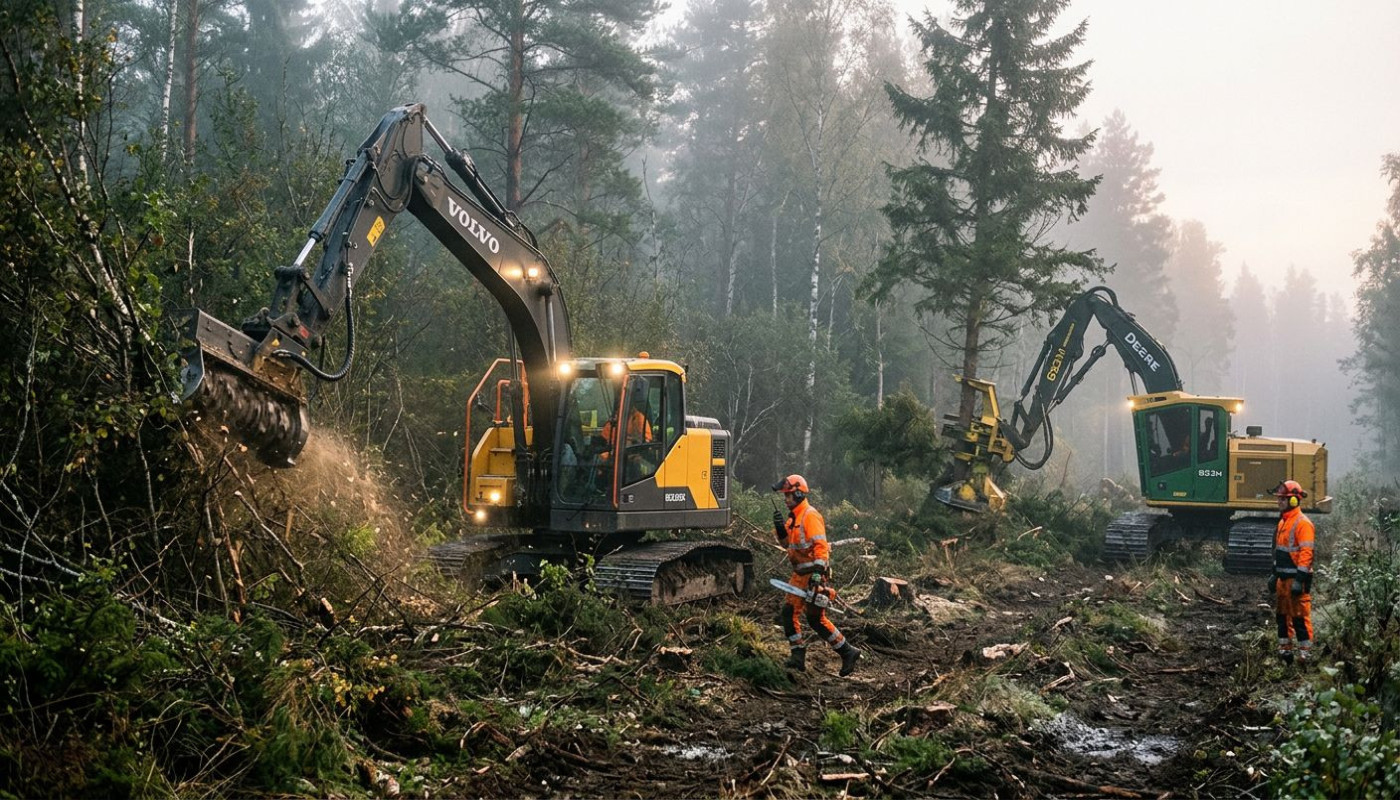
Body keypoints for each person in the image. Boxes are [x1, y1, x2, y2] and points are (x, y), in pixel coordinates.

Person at [771, 474, 860, 677]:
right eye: (785, 496)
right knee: (810, 618)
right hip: (799, 574)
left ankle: (802, 654)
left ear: (799, 493)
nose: (785, 500)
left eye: (788, 496)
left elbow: (821, 547)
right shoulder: (794, 517)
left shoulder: (809, 515)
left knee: (798, 614)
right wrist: (779, 528)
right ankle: (845, 651)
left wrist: (818, 575)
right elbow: (786, 544)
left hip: (811, 574)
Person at [1271, 479, 1315, 664]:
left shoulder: (1302, 524)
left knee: (1299, 616)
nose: (1279, 502)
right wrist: (1274, 574)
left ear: (1294, 500)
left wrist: (1300, 579)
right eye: (1279, 498)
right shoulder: (1283, 522)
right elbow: (1279, 552)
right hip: (1283, 578)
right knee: (1282, 616)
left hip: (1296, 579)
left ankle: (1305, 652)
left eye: (1283, 498)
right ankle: (1285, 651)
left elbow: (1306, 553)